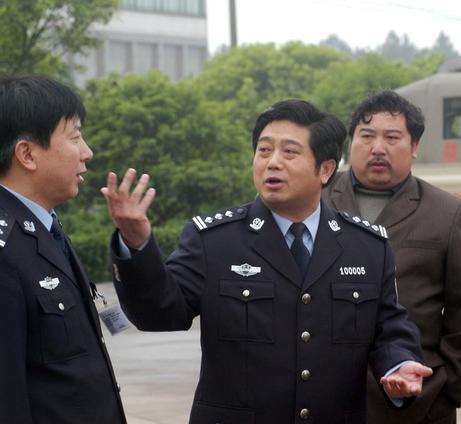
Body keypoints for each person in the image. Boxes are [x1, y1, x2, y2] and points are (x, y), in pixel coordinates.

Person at [101, 99, 432, 424]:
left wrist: (398, 364)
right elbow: (159, 313)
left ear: (326, 169)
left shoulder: (367, 246)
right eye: (264, 150)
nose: (273, 162)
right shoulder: (213, 240)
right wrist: (137, 245)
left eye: (289, 152)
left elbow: (389, 326)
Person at [323, 90, 461, 424]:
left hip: (416, 403)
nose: (378, 148)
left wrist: (444, 391)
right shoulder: (317, 200)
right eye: (366, 136)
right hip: (322, 397)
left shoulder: (446, 213)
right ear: (351, 142)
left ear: (414, 147)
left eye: (392, 137)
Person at [0, 75, 126, 423]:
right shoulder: (5, 251)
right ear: (27, 153)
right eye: (75, 137)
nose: (87, 152)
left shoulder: (44, 226)